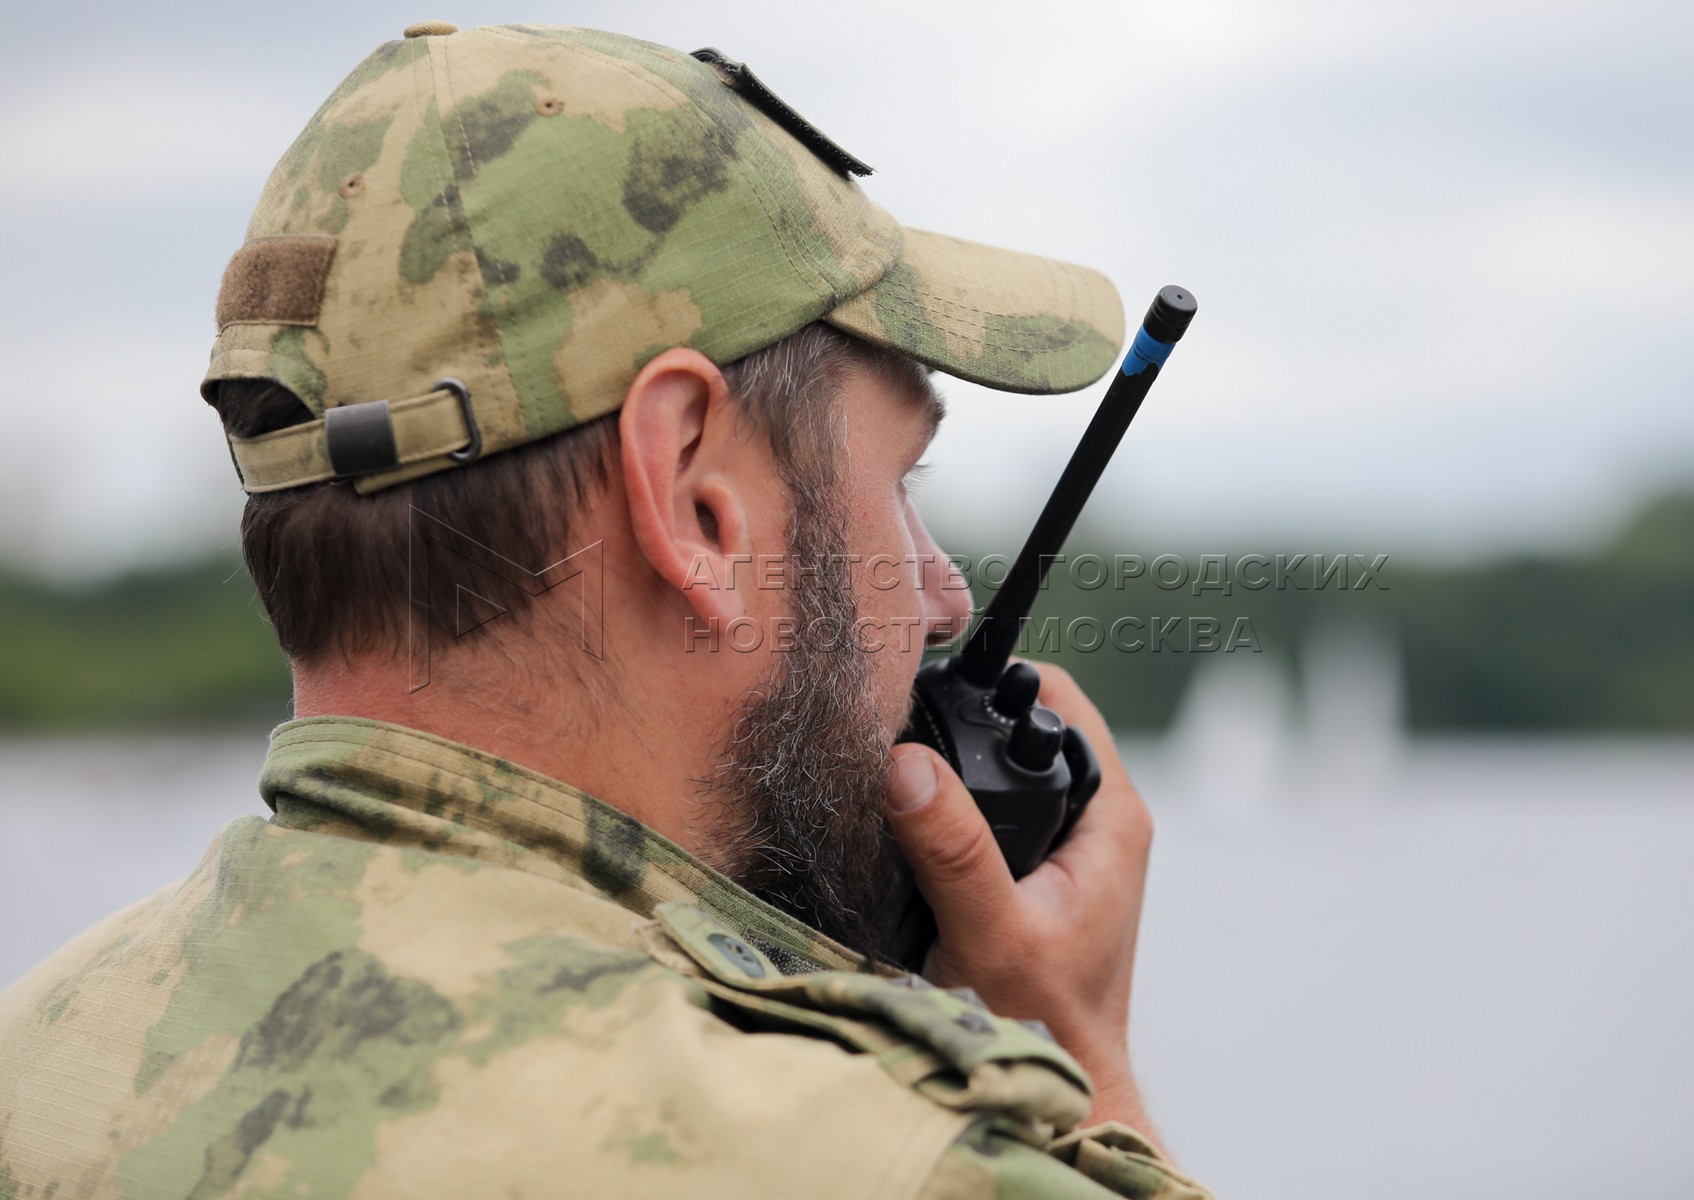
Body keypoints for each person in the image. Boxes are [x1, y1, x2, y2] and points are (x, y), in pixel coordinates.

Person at [0, 22, 1205, 1198]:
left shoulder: (36, 1054)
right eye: (900, 484)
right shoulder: (887, 1163)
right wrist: (1082, 1066)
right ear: (693, 499)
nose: (944, 598)